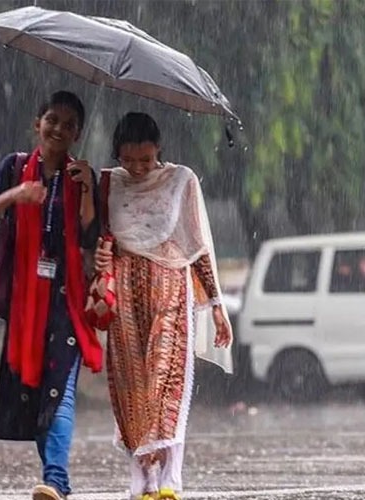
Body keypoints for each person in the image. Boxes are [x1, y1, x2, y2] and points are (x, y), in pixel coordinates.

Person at [0, 90, 103, 500]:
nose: (58, 128)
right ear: (37, 123)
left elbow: (90, 238)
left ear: (77, 134)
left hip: (67, 300)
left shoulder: (82, 177)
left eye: (68, 124)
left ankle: (57, 482)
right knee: (35, 394)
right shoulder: (13, 167)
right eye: (52, 120)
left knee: (58, 390)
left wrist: (87, 196)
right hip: (26, 302)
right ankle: (56, 481)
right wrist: (16, 196)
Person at [93, 112, 233, 500]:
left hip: (171, 288)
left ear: (160, 152)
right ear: (117, 154)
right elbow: (96, 236)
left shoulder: (180, 180)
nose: (137, 169)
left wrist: (216, 304)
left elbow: (197, 244)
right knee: (130, 383)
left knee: (166, 377)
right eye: (129, 160)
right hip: (123, 296)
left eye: (146, 160)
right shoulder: (105, 183)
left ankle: (172, 475)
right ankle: (141, 476)